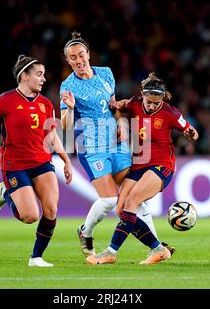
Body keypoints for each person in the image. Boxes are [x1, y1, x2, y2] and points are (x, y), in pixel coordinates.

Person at [0, 55, 72, 267]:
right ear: (25, 76)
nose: (43, 79)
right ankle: (5, 192)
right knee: (30, 216)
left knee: (51, 209)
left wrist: (66, 160)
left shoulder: (46, 104)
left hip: (42, 161)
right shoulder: (6, 100)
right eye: (39, 75)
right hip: (15, 165)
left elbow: (51, 136)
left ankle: (36, 257)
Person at [60, 32, 158, 257]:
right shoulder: (67, 87)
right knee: (110, 200)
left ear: (88, 54)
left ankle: (157, 247)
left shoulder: (106, 73)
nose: (78, 60)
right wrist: (72, 108)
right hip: (92, 147)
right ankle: (86, 231)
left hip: (116, 142)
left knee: (135, 194)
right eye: (72, 57)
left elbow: (112, 106)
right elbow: (64, 125)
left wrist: (121, 122)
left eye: (81, 55)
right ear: (68, 61)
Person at [86, 72, 199, 265]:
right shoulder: (135, 104)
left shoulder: (171, 114)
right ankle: (159, 249)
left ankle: (111, 252)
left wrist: (190, 133)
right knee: (122, 209)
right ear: (142, 95)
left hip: (161, 166)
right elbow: (120, 106)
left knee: (132, 200)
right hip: (139, 165)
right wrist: (118, 109)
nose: (152, 106)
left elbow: (192, 132)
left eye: (157, 103)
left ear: (163, 98)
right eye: (149, 102)